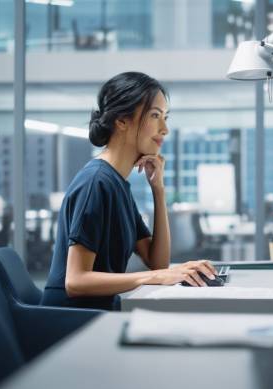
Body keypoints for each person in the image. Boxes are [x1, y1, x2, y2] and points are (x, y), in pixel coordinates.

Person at [42, 72, 216, 310]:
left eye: (165, 117)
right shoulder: (96, 183)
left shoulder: (117, 184)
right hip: (71, 322)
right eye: (155, 116)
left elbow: (157, 262)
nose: (164, 129)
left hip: (100, 314)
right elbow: (75, 281)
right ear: (122, 121)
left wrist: (158, 189)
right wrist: (155, 277)